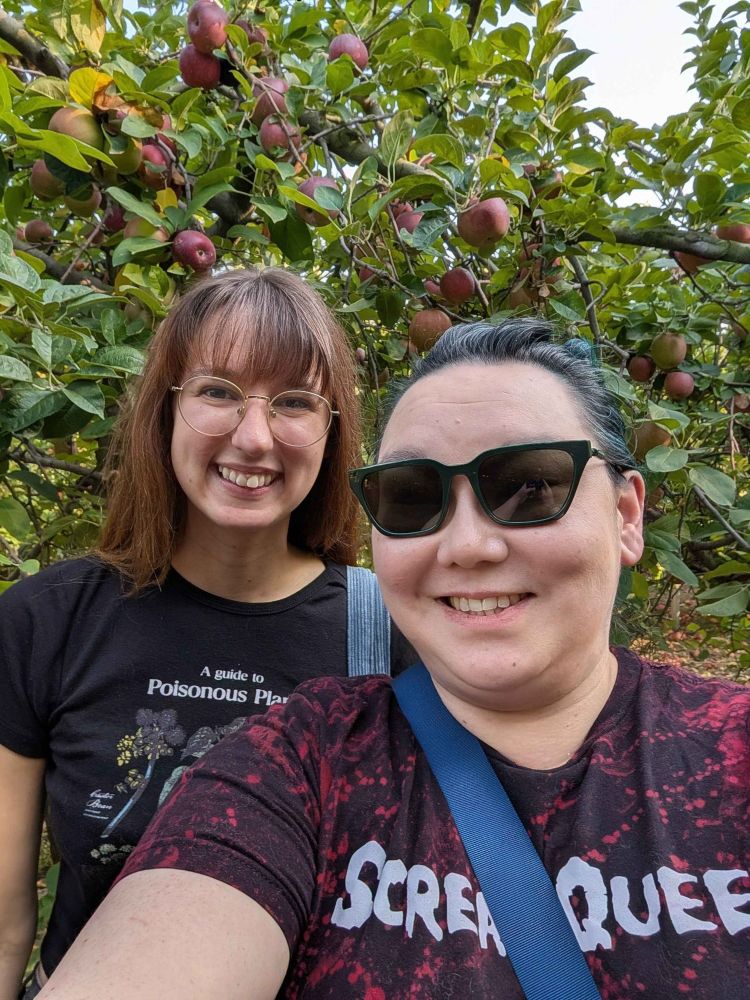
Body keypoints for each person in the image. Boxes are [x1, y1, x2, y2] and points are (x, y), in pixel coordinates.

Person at [37, 319, 749, 999]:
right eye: (412, 497)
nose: (467, 546)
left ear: (627, 516)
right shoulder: (300, 762)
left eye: (531, 487)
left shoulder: (731, 750)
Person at [0, 267, 412, 1000]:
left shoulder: (391, 633)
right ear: (167, 410)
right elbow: (3, 925)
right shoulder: (47, 620)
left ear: (332, 431)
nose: (253, 437)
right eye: (218, 392)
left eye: (294, 402)